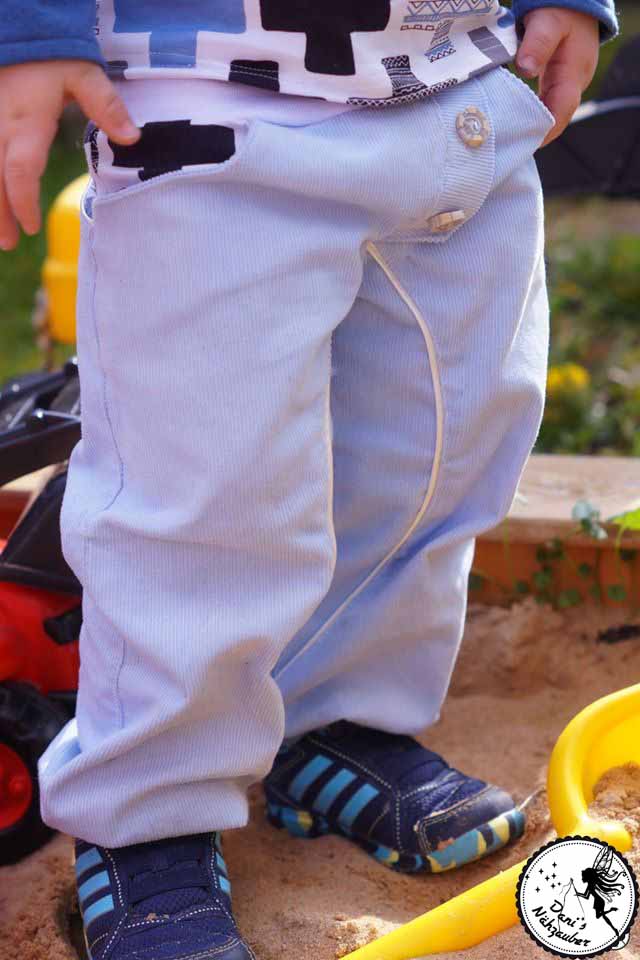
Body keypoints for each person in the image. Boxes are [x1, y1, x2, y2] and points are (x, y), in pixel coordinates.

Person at [0, 2, 617, 957]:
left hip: (457, 87)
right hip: (213, 101)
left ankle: (335, 713)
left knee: (440, 446)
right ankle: (148, 812)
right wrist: (32, 32)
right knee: (202, 491)